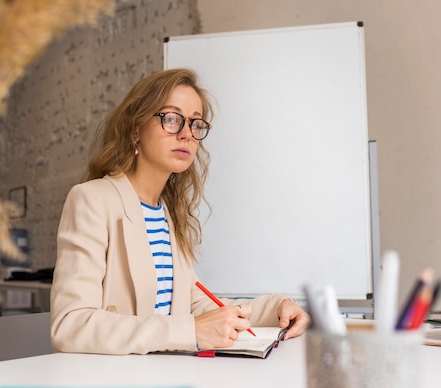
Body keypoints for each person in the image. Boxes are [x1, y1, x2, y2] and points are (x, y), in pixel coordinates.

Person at [50, 68, 310, 355]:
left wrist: (278, 308)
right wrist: (190, 331)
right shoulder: (92, 199)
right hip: (111, 387)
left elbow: (196, 303)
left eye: (196, 123)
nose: (187, 134)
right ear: (135, 129)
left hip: (163, 377)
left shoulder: (167, 214)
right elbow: (70, 325)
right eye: (171, 119)